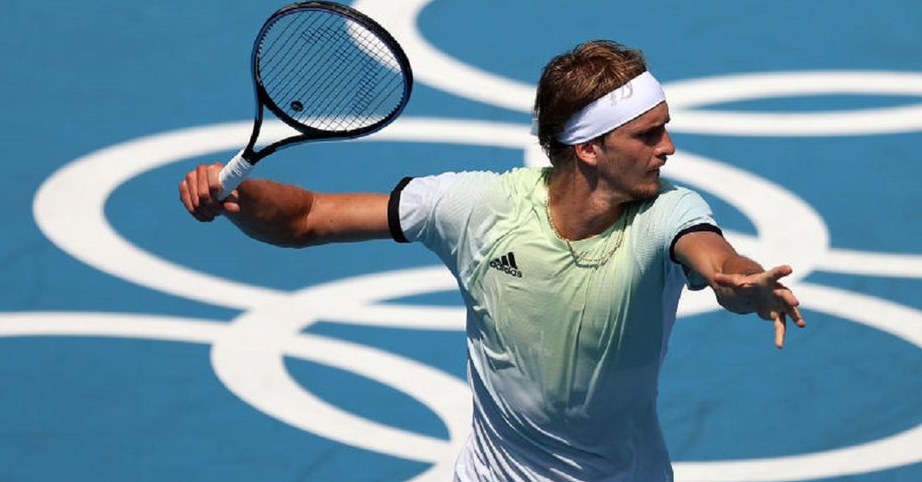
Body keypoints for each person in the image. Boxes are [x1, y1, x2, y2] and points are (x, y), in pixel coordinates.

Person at [179, 40, 804, 481]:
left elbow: (715, 258)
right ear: (587, 149)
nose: (668, 148)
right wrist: (234, 195)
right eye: (647, 135)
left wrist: (744, 287)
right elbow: (308, 217)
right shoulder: (476, 207)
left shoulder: (667, 213)